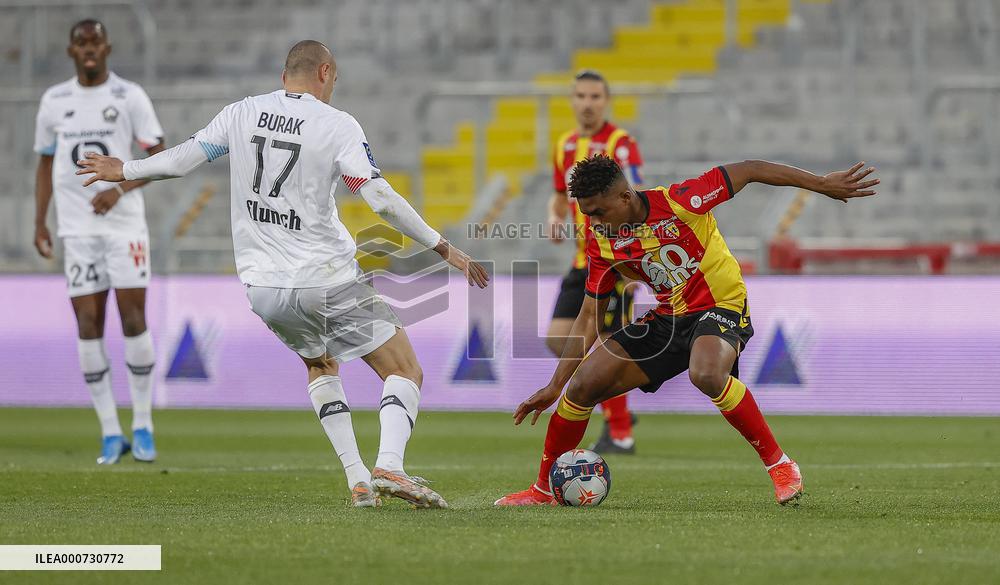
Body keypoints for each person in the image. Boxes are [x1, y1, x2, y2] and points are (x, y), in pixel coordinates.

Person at [77, 40, 490, 508]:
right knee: (404, 369)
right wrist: (443, 247)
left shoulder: (242, 113)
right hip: (326, 277)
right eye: (334, 80)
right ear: (325, 72)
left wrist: (124, 168)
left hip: (264, 287)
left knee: (320, 364)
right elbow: (378, 198)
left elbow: (182, 159)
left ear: (283, 76)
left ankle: (358, 481)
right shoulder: (336, 124)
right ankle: (389, 465)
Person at [496, 155, 878, 506]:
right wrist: (555, 385)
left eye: (598, 212)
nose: (593, 223)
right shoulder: (602, 241)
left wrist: (820, 183)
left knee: (706, 373)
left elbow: (749, 170)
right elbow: (589, 315)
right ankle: (543, 490)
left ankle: (780, 466)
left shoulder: (682, 201)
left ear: (625, 197)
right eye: (587, 214)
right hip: (668, 319)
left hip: (721, 306)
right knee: (581, 387)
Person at [33, 19, 166, 465]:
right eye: (81, 43)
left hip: (124, 227)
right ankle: (111, 432)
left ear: (107, 47)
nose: (89, 48)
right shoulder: (54, 101)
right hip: (76, 230)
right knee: (88, 323)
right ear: (71, 51)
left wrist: (119, 189)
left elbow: (159, 156)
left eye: (95, 42)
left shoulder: (129, 96)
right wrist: (40, 221)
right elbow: (45, 164)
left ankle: (143, 424)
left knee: (133, 318)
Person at [547, 70, 643, 455]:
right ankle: (615, 406)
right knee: (558, 337)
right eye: (581, 96)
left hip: (615, 262)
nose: (588, 103)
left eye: (595, 96)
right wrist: (554, 216)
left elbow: (635, 198)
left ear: (606, 101)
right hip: (581, 260)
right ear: (573, 100)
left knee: (606, 342)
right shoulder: (565, 145)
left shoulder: (620, 144)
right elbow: (560, 195)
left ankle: (620, 433)